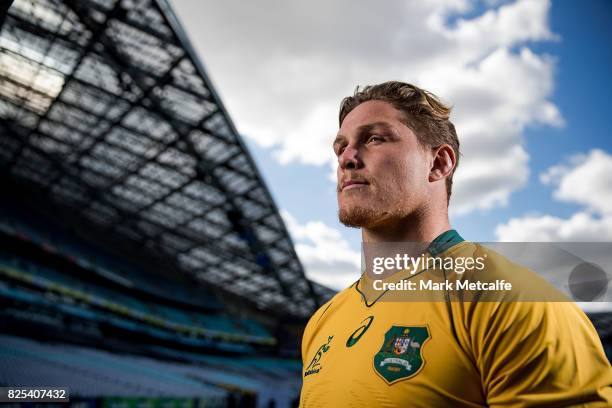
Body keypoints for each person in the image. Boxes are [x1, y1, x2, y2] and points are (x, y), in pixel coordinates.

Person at [299, 81, 612, 407]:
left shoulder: (512, 302)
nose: (347, 158)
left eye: (375, 138)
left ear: (438, 164)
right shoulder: (322, 322)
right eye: (340, 147)